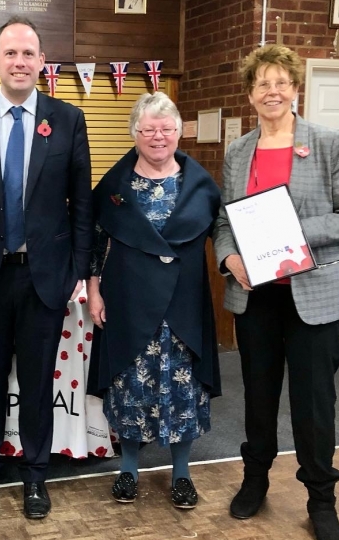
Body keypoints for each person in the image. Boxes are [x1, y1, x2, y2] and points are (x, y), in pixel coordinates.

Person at [213, 45, 339, 540]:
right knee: (258, 396)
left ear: (296, 89)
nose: (272, 91)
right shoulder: (239, 151)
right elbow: (224, 221)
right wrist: (227, 257)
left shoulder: (325, 142)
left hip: (313, 293)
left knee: (314, 402)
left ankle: (322, 499)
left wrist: (297, 231)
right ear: (250, 94)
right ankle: (254, 480)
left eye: (281, 82)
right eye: (262, 84)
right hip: (256, 295)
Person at [0, 16, 93, 520]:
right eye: (10, 53)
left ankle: (35, 476)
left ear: (42, 62)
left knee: (36, 382)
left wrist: (76, 269)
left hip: (44, 278)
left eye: (29, 53)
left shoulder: (68, 119)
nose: (20, 62)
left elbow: (82, 205)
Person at [86, 92, 221, 509]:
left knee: (183, 390)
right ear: (135, 134)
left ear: (179, 132)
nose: (158, 137)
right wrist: (93, 289)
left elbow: (229, 233)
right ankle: (128, 468)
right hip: (127, 299)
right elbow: (95, 241)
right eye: (148, 129)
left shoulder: (201, 186)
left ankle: (181, 473)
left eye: (166, 129)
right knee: (130, 385)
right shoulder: (113, 186)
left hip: (183, 302)